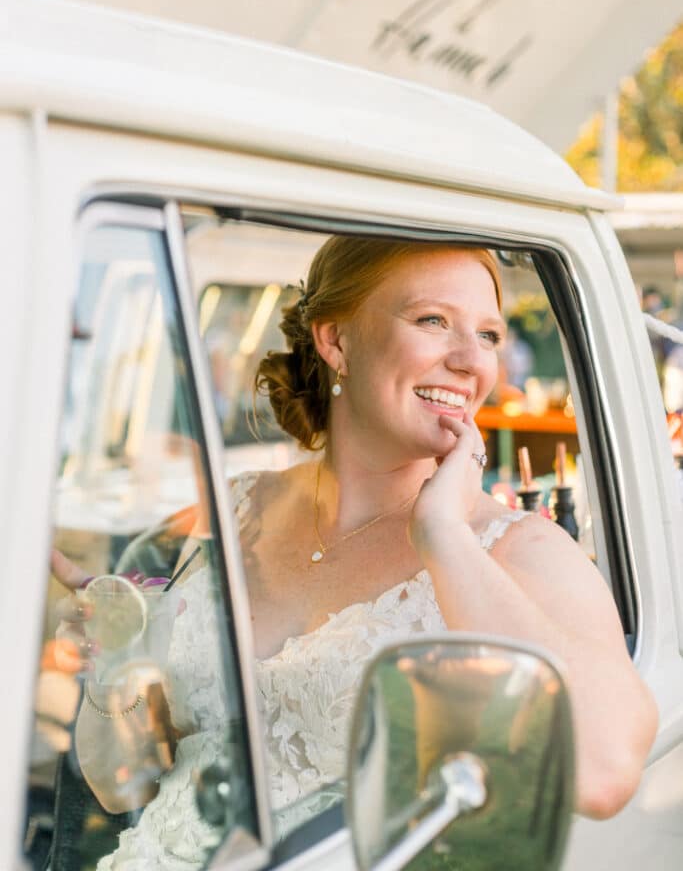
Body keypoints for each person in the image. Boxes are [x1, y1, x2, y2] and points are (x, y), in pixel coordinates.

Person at [52, 237, 658, 866]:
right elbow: (121, 784)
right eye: (433, 320)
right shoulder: (237, 510)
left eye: (488, 335)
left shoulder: (517, 550)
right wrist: (120, 654)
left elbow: (606, 771)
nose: (469, 361)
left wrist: (444, 535)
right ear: (335, 340)